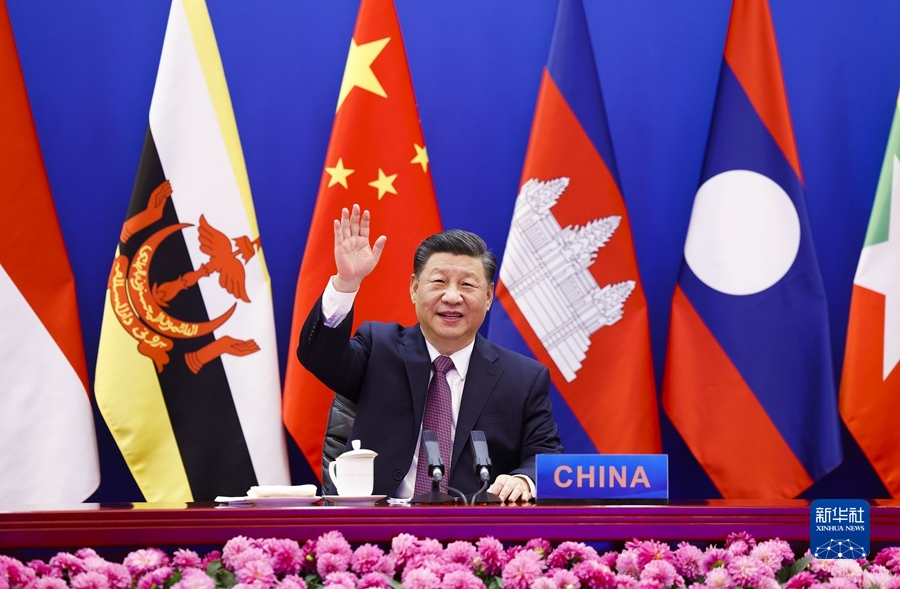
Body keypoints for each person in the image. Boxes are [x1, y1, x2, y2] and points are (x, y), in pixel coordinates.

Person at [297, 204, 562, 502]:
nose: (452, 296)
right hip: (379, 522)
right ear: (414, 288)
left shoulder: (522, 378)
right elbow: (318, 356)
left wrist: (524, 479)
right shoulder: (378, 348)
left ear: (488, 297)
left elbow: (545, 455)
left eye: (467, 285)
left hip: (473, 524)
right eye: (438, 282)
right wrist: (346, 284)